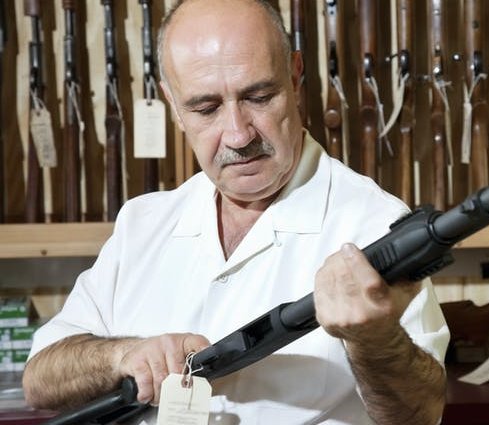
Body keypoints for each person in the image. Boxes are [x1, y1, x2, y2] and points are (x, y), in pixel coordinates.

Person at [22, 0, 449, 424]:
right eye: (205, 108)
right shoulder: (143, 222)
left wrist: (374, 341)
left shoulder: (374, 224)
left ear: (296, 76)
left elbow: (420, 415)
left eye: (259, 97)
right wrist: (124, 355)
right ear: (172, 103)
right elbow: (40, 379)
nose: (238, 134)